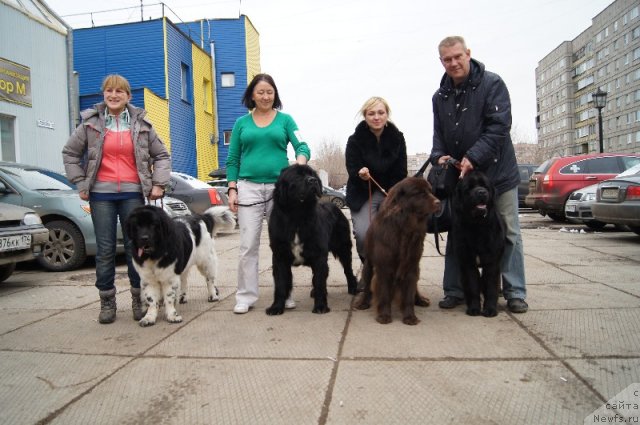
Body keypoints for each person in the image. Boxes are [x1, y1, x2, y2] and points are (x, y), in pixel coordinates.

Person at [429, 35, 528, 313]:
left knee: (508, 232)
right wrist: (440, 156)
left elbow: (499, 126)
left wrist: (473, 156)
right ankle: (455, 290)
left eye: (458, 56)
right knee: (457, 233)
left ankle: (514, 291)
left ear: (468, 54)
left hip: (498, 174)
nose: (453, 63)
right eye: (447, 59)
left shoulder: (492, 84)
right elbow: (439, 136)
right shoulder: (440, 96)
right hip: (462, 180)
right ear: (441, 62)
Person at [62, 74, 171, 324]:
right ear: (103, 94)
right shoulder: (90, 124)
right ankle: (107, 301)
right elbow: (70, 153)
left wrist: (158, 184)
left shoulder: (142, 124)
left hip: (133, 193)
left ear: (128, 96)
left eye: (119, 91)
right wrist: (80, 181)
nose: (113, 95)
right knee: (105, 249)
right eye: (109, 91)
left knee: (137, 248)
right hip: (101, 194)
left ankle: (138, 298)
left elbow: (162, 155)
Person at [226, 73, 310, 314]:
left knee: (282, 245)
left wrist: (300, 161)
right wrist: (232, 189)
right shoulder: (241, 123)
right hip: (248, 188)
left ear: (275, 94)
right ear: (252, 95)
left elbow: (302, 145)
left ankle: (285, 293)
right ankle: (245, 296)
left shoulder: (285, 120)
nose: (265, 96)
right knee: (248, 245)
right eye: (260, 92)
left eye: (270, 92)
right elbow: (232, 159)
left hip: (281, 190)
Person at [345, 96, 408, 263]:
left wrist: (393, 193)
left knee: (393, 234)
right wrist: (360, 173)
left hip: (391, 194)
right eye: (371, 113)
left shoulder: (398, 138)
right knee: (364, 234)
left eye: (381, 112)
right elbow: (352, 168)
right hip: (362, 193)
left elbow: (402, 171)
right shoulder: (354, 140)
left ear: (387, 114)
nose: (376, 117)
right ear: (365, 116)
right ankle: (368, 269)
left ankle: (389, 272)